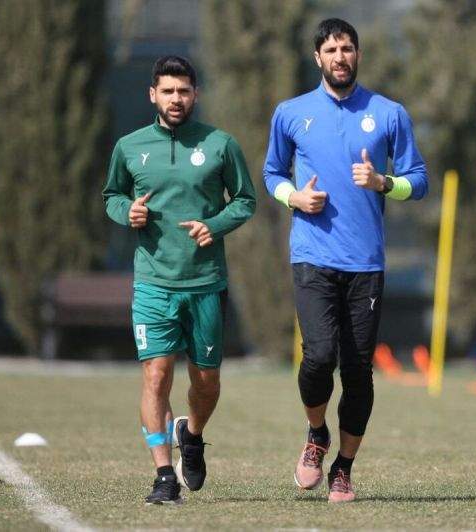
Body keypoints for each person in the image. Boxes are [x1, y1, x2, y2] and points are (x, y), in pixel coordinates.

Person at [263, 18, 428, 503]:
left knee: (357, 371)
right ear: (317, 57)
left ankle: (344, 469)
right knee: (318, 358)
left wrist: (384, 183)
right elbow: (272, 173)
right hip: (312, 257)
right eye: (332, 49)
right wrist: (294, 197)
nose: (340, 57)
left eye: (348, 48)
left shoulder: (389, 113)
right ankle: (316, 433)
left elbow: (419, 180)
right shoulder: (291, 113)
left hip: (366, 264)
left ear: (358, 54)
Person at [103, 55, 256, 505]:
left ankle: (192, 434)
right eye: (168, 91)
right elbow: (112, 195)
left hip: (206, 282)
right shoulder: (129, 146)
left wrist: (216, 224)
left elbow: (245, 200)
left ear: (195, 95)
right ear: (153, 94)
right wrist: (126, 212)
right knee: (156, 377)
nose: (176, 99)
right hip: (153, 282)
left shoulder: (220, 144)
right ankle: (164, 476)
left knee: (206, 382)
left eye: (183, 91)